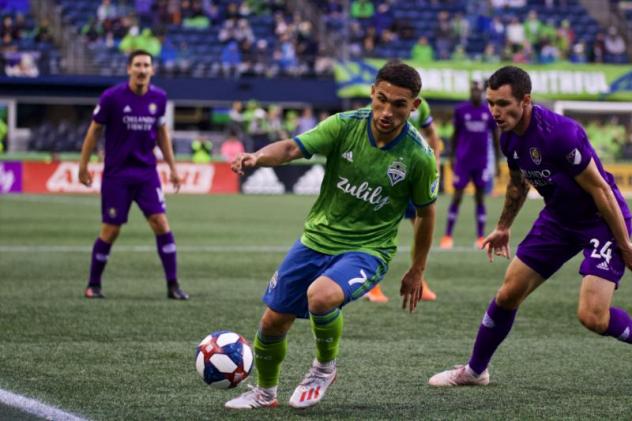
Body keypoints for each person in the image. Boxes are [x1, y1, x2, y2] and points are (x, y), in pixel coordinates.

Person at [225, 60, 438, 409]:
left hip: (368, 250)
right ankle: (264, 393)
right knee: (272, 321)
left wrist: (417, 269)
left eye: (399, 105)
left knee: (321, 297)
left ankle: (324, 368)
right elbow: (292, 148)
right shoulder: (344, 125)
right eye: (381, 100)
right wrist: (257, 157)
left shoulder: (419, 156)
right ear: (372, 93)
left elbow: (426, 214)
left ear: (414, 106)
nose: (387, 112)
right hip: (315, 239)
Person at [428, 66, 632, 387]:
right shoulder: (508, 136)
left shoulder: (561, 134)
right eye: (491, 103)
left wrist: (624, 244)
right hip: (558, 220)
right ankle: (475, 371)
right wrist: (503, 226)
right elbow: (517, 183)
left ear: (525, 100)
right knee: (508, 293)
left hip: (601, 221)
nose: (495, 111)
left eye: (503, 104)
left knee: (593, 316)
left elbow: (601, 190)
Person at [78, 50, 189, 300]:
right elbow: (94, 131)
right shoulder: (112, 97)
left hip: (146, 174)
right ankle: (93, 285)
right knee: (111, 229)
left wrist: (172, 168)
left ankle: (173, 285)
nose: (142, 70)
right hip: (117, 175)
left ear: (152, 70)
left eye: (146, 65)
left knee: (161, 223)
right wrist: (83, 165)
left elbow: (162, 134)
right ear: (129, 69)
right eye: (137, 65)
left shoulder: (159, 98)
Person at [366, 96, 441, 303]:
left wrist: (435, 162)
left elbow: (432, 134)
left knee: (421, 225)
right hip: (385, 175)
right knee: (377, 229)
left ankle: (419, 279)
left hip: (412, 175)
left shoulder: (422, 107)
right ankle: (371, 285)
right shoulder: (377, 108)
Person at [440, 80, 500, 250]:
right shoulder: (461, 110)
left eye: (478, 90)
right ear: (470, 91)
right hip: (463, 161)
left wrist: (496, 161)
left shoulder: (488, 111)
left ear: (482, 92)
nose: (476, 93)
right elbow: (455, 134)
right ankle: (447, 236)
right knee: (457, 197)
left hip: (481, 162)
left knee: (480, 198)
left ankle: (480, 236)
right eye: (474, 90)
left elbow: (495, 137)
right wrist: (452, 156)